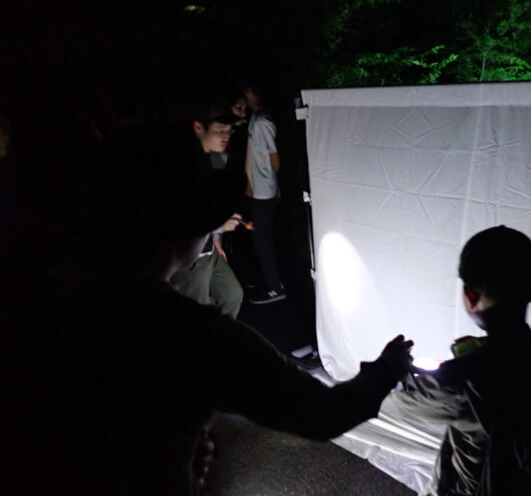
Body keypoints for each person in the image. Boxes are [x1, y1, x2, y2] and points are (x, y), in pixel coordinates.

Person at [1, 124, 414, 496]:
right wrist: (385, 369)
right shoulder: (189, 335)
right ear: (187, 227)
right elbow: (322, 415)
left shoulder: (37, 290)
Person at [394, 226, 531, 496]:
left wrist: (395, 367)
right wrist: (476, 352)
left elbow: (405, 402)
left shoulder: (462, 380)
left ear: (471, 296)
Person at [170, 104, 244, 318]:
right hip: (189, 258)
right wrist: (218, 224)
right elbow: (181, 217)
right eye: (219, 131)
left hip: (209, 249)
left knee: (233, 295)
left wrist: (217, 238)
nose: (226, 137)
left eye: (229, 131)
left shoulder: (216, 160)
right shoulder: (182, 166)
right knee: (197, 312)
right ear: (198, 128)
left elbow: (214, 203)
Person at [242, 82, 286, 304]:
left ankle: (275, 287)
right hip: (257, 187)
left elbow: (273, 156)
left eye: (246, 90)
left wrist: (277, 184)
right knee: (259, 236)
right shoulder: (256, 117)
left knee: (261, 239)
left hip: (265, 190)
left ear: (252, 92)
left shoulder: (262, 121)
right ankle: (269, 278)